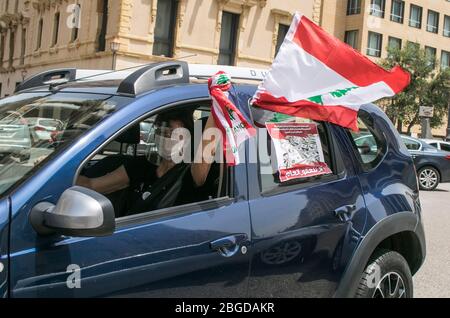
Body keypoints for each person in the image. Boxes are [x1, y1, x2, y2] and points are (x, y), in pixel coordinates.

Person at [76, 109, 219, 216]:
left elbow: (203, 166)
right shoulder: (142, 164)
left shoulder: (191, 171)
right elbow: (92, 185)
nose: (167, 138)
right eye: (162, 132)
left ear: (188, 136)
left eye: (174, 134)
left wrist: (217, 107)